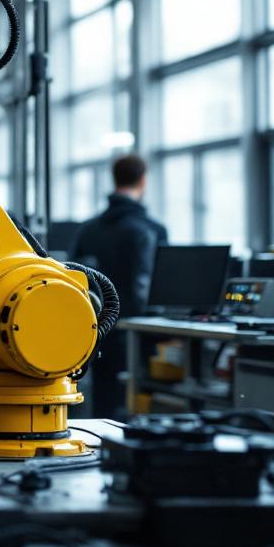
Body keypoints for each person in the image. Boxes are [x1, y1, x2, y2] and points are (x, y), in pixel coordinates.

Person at [71, 154, 168, 418]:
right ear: (143, 180)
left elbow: (72, 280)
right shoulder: (152, 230)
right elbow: (153, 288)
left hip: (97, 331)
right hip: (138, 334)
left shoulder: (87, 230)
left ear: (114, 179)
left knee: (104, 403)